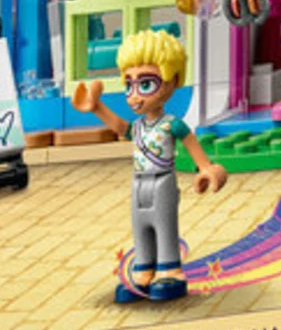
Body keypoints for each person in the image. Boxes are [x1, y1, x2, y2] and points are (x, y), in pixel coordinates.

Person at [71, 30, 227, 303]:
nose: (134, 96)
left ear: (172, 80)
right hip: (139, 182)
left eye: (145, 84)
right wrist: (96, 107)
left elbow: (191, 143)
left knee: (164, 225)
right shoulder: (139, 126)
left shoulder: (171, 124)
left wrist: (206, 167)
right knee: (141, 226)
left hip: (162, 181)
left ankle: (170, 270)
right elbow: (119, 126)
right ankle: (143, 269)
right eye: (129, 85)